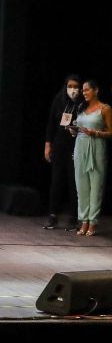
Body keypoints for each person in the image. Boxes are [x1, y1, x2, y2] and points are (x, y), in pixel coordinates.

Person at [71, 80, 112, 236]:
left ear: (96, 90)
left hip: (96, 147)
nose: (84, 92)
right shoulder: (81, 108)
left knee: (96, 187)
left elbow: (110, 132)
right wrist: (74, 131)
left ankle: (93, 222)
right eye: (83, 90)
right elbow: (78, 128)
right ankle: (83, 221)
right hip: (80, 147)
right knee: (81, 187)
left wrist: (95, 133)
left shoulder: (105, 109)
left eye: (87, 90)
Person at [43, 75, 81, 230]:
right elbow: (51, 123)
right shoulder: (59, 99)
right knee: (56, 181)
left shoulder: (82, 104)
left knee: (73, 182)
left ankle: (74, 217)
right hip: (59, 145)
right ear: (66, 86)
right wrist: (48, 144)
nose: (73, 89)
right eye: (70, 86)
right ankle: (52, 215)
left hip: (76, 145)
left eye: (76, 86)